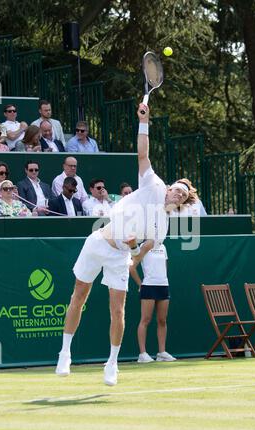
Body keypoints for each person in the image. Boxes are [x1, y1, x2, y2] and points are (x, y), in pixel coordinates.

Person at [55, 102, 196, 387]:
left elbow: (139, 252)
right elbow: (143, 153)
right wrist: (144, 121)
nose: (177, 194)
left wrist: (132, 252)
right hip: (98, 243)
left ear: (181, 203)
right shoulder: (153, 184)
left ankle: (112, 363)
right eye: (176, 189)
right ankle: (65, 352)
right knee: (78, 296)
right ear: (168, 188)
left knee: (118, 310)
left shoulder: (163, 228)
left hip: (119, 256)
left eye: (182, 195)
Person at [130, 240, 176, 363]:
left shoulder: (163, 247)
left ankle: (161, 353)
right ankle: (142, 354)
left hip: (163, 286)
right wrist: (141, 285)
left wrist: (163, 279)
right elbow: (132, 267)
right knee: (145, 320)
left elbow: (164, 267)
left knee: (162, 320)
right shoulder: (143, 247)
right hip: (148, 286)